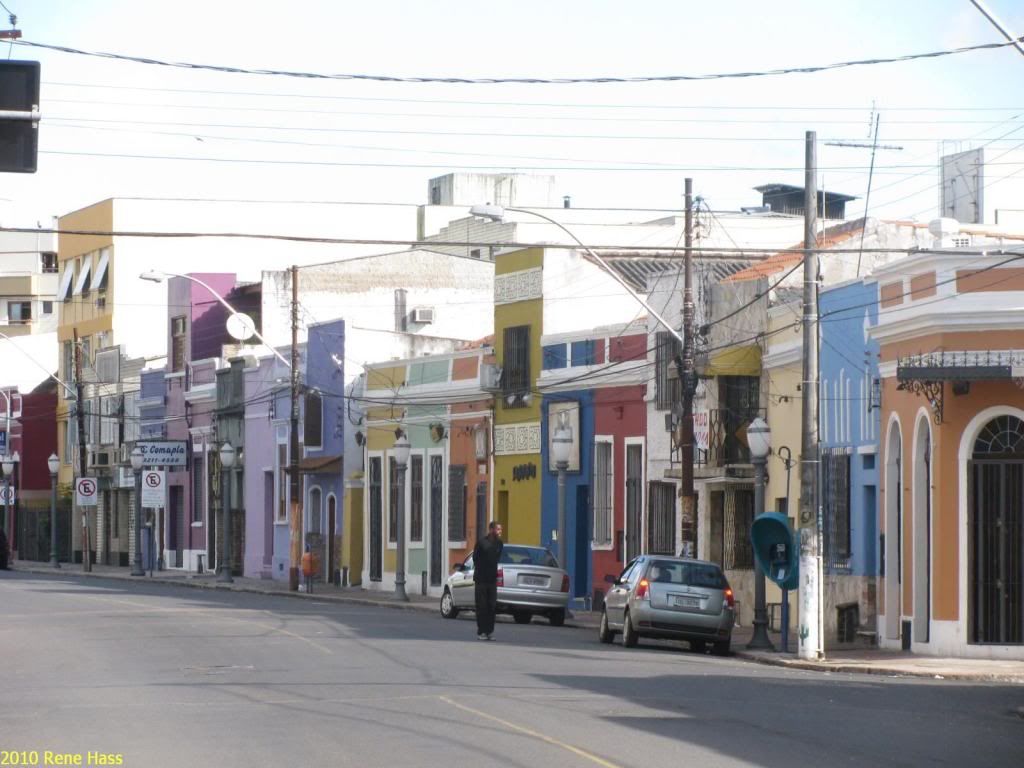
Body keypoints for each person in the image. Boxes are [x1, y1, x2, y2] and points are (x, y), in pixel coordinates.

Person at [472, 521, 503, 640]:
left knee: (491, 606)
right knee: (482, 606)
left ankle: (490, 631)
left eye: (500, 529)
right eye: (498, 529)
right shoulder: (481, 543)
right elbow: (475, 558)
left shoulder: (499, 544)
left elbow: (497, 558)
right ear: (491, 530)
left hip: (492, 580)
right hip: (481, 580)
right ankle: (481, 632)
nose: (500, 532)